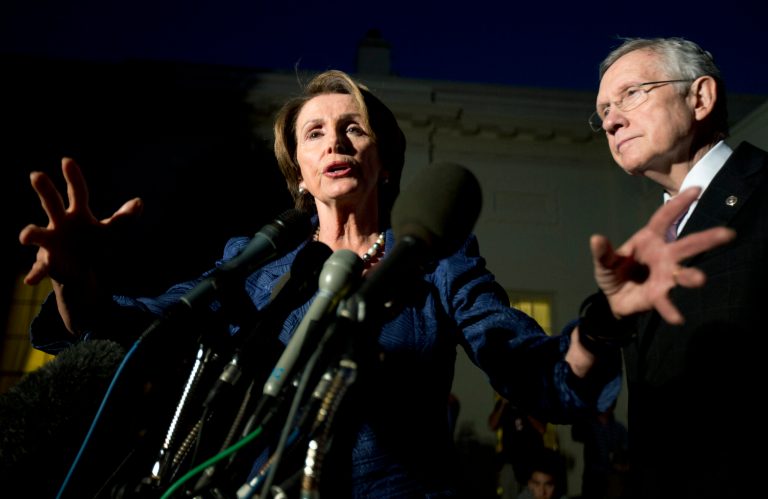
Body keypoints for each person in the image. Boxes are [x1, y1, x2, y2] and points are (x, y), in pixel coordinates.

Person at [17, 68, 732, 498]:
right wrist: (77, 282)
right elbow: (146, 324)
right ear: (299, 173)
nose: (335, 141)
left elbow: (539, 374)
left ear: (384, 161)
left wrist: (604, 319)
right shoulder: (256, 262)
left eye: (353, 128)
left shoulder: (439, 262)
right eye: (315, 133)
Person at [587, 37, 767, 498]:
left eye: (631, 94)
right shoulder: (649, 245)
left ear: (700, 98)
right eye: (603, 110)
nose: (610, 121)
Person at [571, 402, 629, 499]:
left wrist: (623, 466)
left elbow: (626, 450)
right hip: (592, 478)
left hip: (613, 479)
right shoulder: (589, 425)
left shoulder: (619, 428)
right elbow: (575, 434)